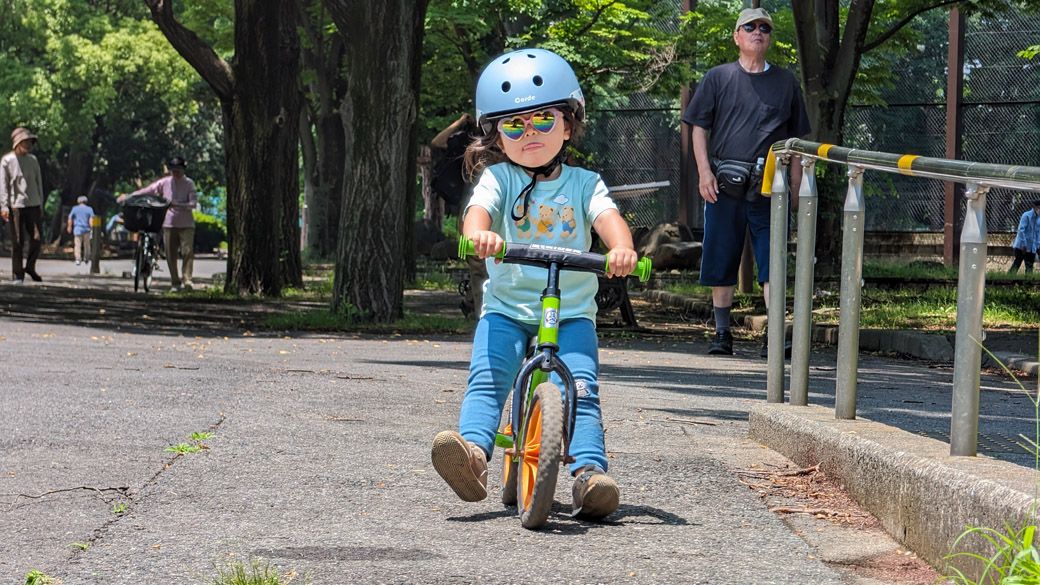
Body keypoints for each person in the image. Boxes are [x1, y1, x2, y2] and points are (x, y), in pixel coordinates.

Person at [430, 48, 638, 520]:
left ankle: (589, 476)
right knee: (488, 378)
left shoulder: (586, 184)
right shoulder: (498, 179)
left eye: (543, 122)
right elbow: (477, 213)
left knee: (582, 388)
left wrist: (621, 248)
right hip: (506, 307)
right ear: (496, 134)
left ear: (568, 125)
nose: (530, 135)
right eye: (515, 126)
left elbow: (608, 220)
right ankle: (474, 456)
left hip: (570, 313)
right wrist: (477, 234)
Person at [681, 7, 811, 357]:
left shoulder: (785, 83)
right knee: (721, 258)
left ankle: (777, 335)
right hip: (723, 185)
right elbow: (698, 127)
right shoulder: (718, 78)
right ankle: (722, 334)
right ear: (737, 36)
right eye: (750, 27)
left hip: (771, 188)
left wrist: (796, 187)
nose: (758, 32)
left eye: (765, 28)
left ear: (770, 38)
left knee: (772, 262)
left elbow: (797, 141)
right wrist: (704, 172)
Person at [431, 113, 486, 317]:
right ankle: (480, 314)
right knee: (478, 265)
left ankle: (471, 302)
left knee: (485, 267)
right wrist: (461, 122)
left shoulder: (505, 138)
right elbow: (437, 142)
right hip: (470, 207)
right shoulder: (465, 140)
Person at [119, 156, 198, 291]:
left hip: (186, 224)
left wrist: (177, 204)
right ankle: (175, 282)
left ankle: (187, 280)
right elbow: (148, 190)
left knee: (187, 252)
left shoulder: (189, 184)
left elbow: (193, 203)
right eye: (173, 170)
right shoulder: (165, 182)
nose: (175, 173)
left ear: (183, 170)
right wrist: (130, 196)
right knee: (170, 254)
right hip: (168, 223)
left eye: (178, 170)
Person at [0, 127, 45, 283]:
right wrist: (4, 206)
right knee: (17, 241)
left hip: (33, 203)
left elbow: (38, 182)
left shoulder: (33, 160)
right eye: (24, 142)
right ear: (17, 143)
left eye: (29, 142)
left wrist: (41, 204)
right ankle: (17, 274)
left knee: (37, 238)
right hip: (15, 205)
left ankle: (30, 266)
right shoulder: (7, 161)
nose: (27, 144)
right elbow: (3, 185)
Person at [1008, 199, 1040, 274]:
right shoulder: (1026, 216)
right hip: (1022, 246)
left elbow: (1038, 233)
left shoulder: (1039, 219)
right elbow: (1021, 230)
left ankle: (1028, 282)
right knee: (1017, 262)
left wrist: (1038, 245)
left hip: (1032, 247)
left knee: (1029, 266)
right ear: (1035, 207)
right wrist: (1024, 244)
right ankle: (1009, 278)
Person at [67, 195, 95, 265]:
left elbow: (70, 218)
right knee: (87, 245)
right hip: (87, 229)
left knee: (77, 245)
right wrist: (92, 229)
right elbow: (91, 220)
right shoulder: (89, 209)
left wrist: (69, 227)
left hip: (77, 229)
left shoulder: (75, 209)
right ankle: (86, 258)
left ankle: (78, 259)